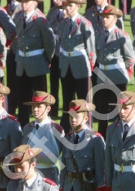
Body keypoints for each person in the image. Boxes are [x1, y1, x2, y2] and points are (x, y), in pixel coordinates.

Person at [13, 0, 55, 126]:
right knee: (22, 100)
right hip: (22, 64)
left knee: (40, 99)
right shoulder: (19, 17)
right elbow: (17, 39)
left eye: (27, 2)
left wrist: (46, 59)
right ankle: (23, 127)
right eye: (22, 2)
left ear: (35, 3)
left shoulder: (41, 20)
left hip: (37, 64)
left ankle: (42, 127)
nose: (24, 4)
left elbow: (50, 43)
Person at [94, 5, 134, 136]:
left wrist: (126, 74)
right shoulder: (98, 34)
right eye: (103, 17)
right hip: (102, 76)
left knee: (119, 110)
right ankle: (102, 137)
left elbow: (130, 58)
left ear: (115, 19)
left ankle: (118, 136)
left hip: (118, 77)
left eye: (107, 17)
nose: (104, 20)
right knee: (102, 110)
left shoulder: (121, 35)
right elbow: (97, 55)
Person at [57, 0, 96, 134]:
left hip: (81, 65)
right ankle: (68, 129)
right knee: (67, 99)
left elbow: (91, 48)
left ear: (78, 6)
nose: (67, 8)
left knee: (84, 100)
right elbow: (60, 43)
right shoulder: (63, 23)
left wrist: (90, 66)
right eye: (66, 6)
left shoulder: (85, 24)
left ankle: (87, 129)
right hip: (66, 65)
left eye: (70, 5)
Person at [21, 91, 63, 184]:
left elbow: (56, 156)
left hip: (49, 174)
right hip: (30, 174)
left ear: (48, 108)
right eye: (33, 106)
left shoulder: (56, 129)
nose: (35, 109)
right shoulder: (27, 128)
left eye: (39, 106)